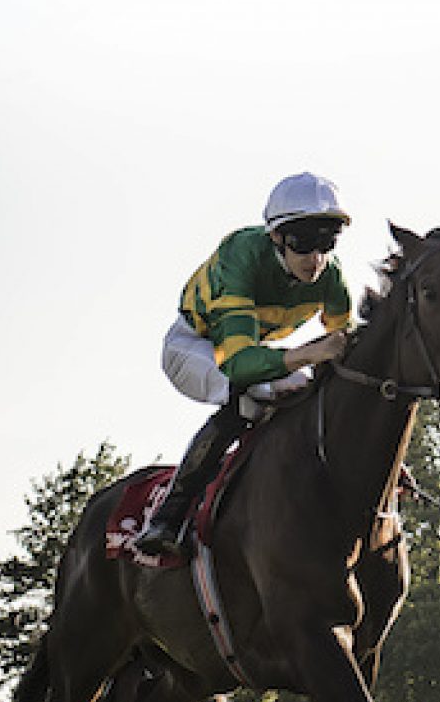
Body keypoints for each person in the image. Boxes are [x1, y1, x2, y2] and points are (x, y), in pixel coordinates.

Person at [132, 173, 355, 555]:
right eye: (303, 243)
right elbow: (237, 364)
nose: (315, 259)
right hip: (194, 346)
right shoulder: (241, 255)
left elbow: (348, 347)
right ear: (276, 237)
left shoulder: (330, 275)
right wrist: (306, 354)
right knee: (247, 397)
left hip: (253, 351)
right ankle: (168, 517)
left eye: (326, 243)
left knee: (303, 392)